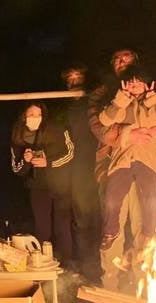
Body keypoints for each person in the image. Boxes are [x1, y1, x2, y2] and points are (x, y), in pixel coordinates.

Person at [87, 48, 156, 291]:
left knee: (146, 224)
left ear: (136, 62)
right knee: (113, 224)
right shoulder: (104, 93)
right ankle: (110, 282)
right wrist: (127, 134)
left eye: (126, 58)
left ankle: (144, 283)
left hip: (148, 165)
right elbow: (99, 127)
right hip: (115, 165)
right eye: (117, 59)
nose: (122, 62)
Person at [98, 64, 156, 252]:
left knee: (150, 197)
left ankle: (150, 233)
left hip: (147, 159)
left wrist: (154, 102)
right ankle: (111, 232)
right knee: (112, 197)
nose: (134, 86)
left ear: (147, 83)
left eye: (138, 82)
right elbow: (104, 120)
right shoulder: (119, 103)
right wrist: (120, 101)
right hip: (123, 159)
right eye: (131, 82)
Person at [10, 101, 75, 264]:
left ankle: (66, 264)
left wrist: (49, 162)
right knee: (42, 227)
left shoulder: (56, 129)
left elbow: (70, 153)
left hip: (60, 183)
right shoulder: (18, 137)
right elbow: (17, 169)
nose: (35, 118)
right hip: (38, 186)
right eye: (31, 115)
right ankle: (43, 263)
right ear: (24, 117)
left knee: (62, 225)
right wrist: (26, 161)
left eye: (38, 115)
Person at [60, 63, 99, 277]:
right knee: (81, 217)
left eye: (78, 77)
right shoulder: (64, 109)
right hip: (77, 169)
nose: (74, 82)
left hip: (100, 164)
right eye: (70, 79)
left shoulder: (95, 102)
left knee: (102, 215)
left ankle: (101, 264)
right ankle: (85, 265)